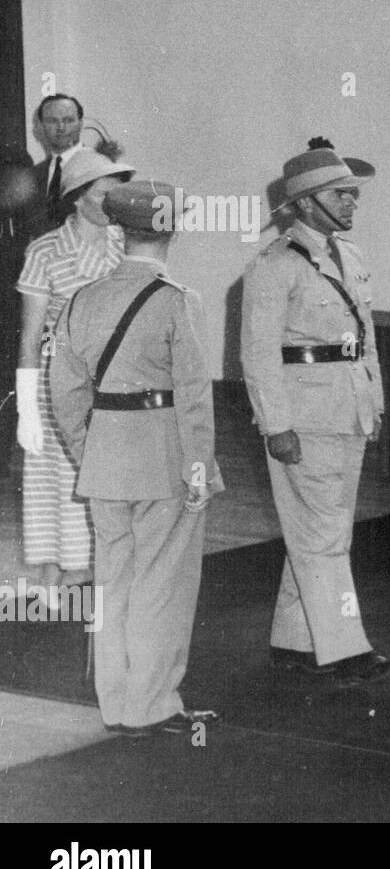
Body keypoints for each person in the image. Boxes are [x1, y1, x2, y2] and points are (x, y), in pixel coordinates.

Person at [48, 179, 222, 737]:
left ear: (120, 230)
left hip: (104, 457)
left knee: (114, 580)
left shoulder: (82, 298)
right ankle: (152, 704)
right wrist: (199, 468)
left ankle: (117, 703)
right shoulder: (177, 300)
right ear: (173, 227)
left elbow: (65, 390)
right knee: (162, 581)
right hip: (164, 455)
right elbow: (195, 397)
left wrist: (87, 447)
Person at [241, 142, 390, 686]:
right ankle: (344, 649)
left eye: (353, 193)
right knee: (323, 535)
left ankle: (294, 637)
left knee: (321, 528)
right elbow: (257, 353)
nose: (353, 202)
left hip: (348, 406)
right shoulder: (275, 264)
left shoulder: (349, 257)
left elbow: (365, 338)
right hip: (303, 415)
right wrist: (276, 425)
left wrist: (376, 401)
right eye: (341, 194)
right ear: (307, 204)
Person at [13, 145, 134, 594]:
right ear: (79, 197)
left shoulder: (127, 245)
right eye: (105, 194)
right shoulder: (45, 250)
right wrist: (26, 409)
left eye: (118, 194)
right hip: (57, 382)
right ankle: (55, 573)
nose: (114, 203)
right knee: (58, 479)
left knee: (105, 477)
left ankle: (93, 571)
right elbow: (29, 337)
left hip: (115, 381)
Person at [30, 94, 86, 238]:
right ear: (41, 126)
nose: (61, 127)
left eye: (68, 120)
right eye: (52, 121)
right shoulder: (33, 175)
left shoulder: (100, 169)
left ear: (80, 124)